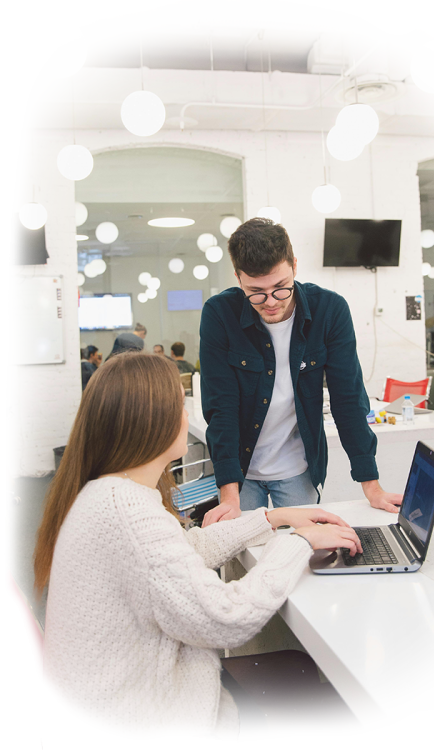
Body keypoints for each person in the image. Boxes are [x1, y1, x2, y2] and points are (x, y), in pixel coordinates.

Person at [32, 350, 363, 740]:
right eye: (181, 406)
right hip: (144, 718)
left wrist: (273, 518)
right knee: (336, 706)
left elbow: (183, 550)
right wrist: (300, 543)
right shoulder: (130, 514)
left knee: (299, 668)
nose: (188, 416)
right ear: (152, 422)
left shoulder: (108, 493)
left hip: (119, 700)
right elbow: (227, 618)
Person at [199, 217, 404, 526]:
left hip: (297, 468)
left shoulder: (330, 310)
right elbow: (221, 406)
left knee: (304, 556)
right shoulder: (219, 314)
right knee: (243, 556)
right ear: (237, 277)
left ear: (294, 265)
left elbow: (348, 399)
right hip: (239, 472)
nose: (270, 302)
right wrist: (229, 495)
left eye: (281, 288)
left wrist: (371, 485)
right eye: (255, 292)